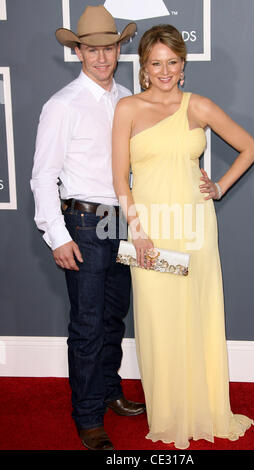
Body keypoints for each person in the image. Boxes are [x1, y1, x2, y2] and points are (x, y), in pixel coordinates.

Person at [112, 24, 254, 449]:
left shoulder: (199, 107)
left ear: (183, 66)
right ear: (143, 68)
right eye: (155, 63)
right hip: (150, 232)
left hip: (194, 228)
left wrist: (219, 187)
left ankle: (204, 407)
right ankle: (170, 414)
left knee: (197, 316)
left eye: (172, 62)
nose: (164, 70)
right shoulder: (128, 109)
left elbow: (249, 147)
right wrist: (136, 231)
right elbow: (120, 178)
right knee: (157, 320)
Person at [30, 5, 146, 451]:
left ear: (120, 49)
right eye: (91, 49)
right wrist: (56, 235)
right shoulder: (62, 105)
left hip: (123, 220)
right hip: (83, 222)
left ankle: (109, 389)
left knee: (115, 316)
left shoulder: (127, 99)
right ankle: (87, 415)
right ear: (78, 51)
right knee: (88, 323)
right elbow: (43, 175)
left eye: (109, 48)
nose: (102, 57)